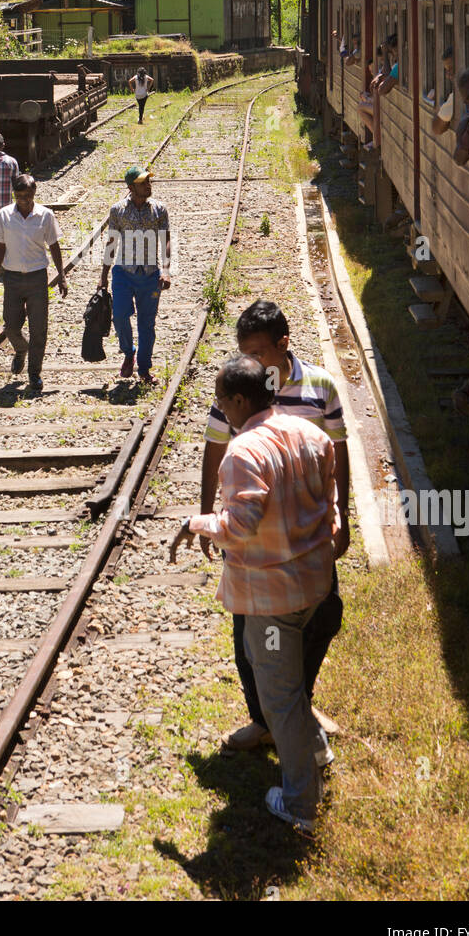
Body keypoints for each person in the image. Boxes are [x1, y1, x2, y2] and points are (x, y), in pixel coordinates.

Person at [171, 355, 339, 833]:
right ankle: (317, 752)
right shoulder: (312, 435)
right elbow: (330, 506)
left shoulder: (244, 452)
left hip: (272, 603)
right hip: (315, 586)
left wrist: (195, 524)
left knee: (278, 697)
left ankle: (301, 806)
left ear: (240, 401)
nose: (220, 409)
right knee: (287, 688)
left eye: (222, 400)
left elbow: (240, 526)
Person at [200, 300, 349, 752]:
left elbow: (338, 458)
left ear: (284, 344)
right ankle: (265, 718)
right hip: (252, 538)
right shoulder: (239, 389)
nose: (252, 362)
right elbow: (214, 448)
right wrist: (206, 510)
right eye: (245, 352)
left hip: (308, 535)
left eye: (260, 352)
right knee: (249, 630)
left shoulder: (320, 387)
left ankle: (297, 703)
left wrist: (345, 519)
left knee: (322, 615)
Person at [0, 173, 68, 392]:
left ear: (34, 192)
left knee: (39, 328)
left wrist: (61, 275)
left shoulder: (45, 215)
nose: (25, 199)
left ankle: (34, 373)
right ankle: (21, 349)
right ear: (14, 194)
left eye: (29, 195)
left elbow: (54, 246)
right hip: (12, 278)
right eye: (21, 195)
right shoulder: (4, 215)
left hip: (37, 278)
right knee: (11, 327)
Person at [98, 163, 171, 385]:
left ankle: (144, 369)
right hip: (123, 272)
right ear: (131, 187)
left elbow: (165, 239)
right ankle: (128, 352)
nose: (148, 185)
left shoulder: (159, 209)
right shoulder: (118, 210)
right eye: (143, 183)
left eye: (149, 181)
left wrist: (166, 270)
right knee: (119, 316)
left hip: (150, 274)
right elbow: (111, 242)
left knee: (146, 324)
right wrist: (103, 275)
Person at [432, 47, 455, 136]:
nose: (448, 75)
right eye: (446, 70)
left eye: (451, 68)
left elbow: (436, 128)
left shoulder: (458, 96)